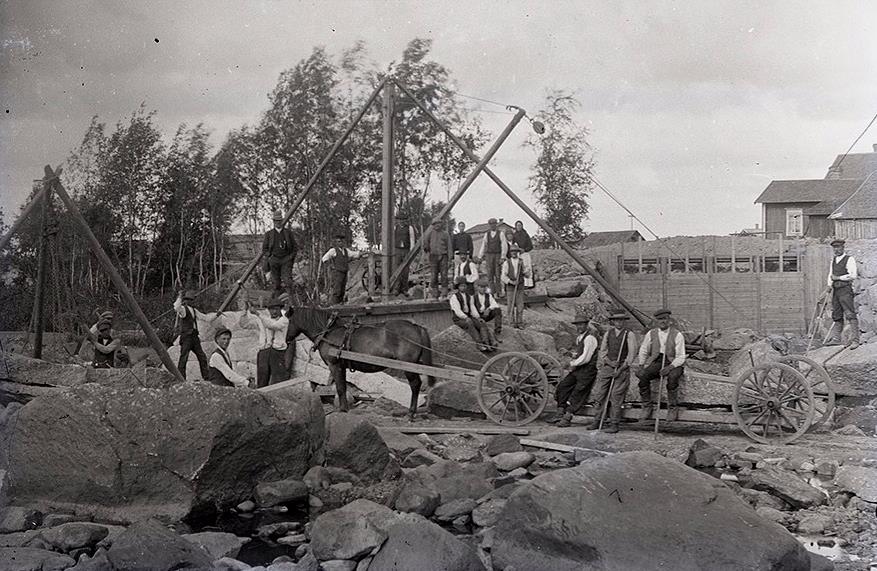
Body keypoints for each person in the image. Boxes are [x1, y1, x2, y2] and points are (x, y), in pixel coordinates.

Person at [588, 310, 638, 433]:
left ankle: (614, 423)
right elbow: (603, 351)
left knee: (616, 395)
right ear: (613, 321)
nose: (619, 322)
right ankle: (597, 420)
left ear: (624, 321)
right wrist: (610, 362)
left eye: (621, 320)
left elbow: (631, 355)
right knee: (600, 394)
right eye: (616, 320)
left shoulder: (629, 334)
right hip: (608, 366)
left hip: (622, 368)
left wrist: (620, 369)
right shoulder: (608, 333)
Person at [636, 308, 686, 422]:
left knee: (673, 378)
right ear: (656, 321)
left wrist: (670, 367)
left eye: (664, 319)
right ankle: (647, 406)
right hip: (657, 361)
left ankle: (672, 408)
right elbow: (644, 350)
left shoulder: (677, 334)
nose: (662, 321)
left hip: (674, 362)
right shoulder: (651, 333)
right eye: (659, 319)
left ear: (669, 320)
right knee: (643, 376)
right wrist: (641, 366)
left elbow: (681, 356)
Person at [552, 315, 601, 427]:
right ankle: (560, 412)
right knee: (563, 386)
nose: (579, 327)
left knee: (578, 392)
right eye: (577, 325)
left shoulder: (590, 338)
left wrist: (570, 363)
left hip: (588, 370)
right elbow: (579, 354)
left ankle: (567, 417)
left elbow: (585, 358)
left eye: (581, 324)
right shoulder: (579, 338)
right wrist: (570, 354)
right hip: (579, 369)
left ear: (586, 325)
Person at [249, 297, 291, 388]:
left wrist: (257, 313)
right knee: (262, 378)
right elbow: (245, 324)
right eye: (271, 309)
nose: (274, 312)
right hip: (264, 351)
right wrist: (247, 309)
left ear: (281, 309)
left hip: (277, 352)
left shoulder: (284, 320)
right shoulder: (264, 319)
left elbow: (273, 325)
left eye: (276, 309)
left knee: (278, 380)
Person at [826, 239, 859, 349]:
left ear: (843, 248)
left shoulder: (849, 259)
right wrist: (829, 285)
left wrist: (839, 278)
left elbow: (853, 275)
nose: (836, 249)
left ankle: (855, 340)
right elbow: (831, 274)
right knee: (837, 314)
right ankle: (836, 338)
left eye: (838, 247)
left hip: (845, 289)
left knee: (850, 313)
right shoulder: (834, 260)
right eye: (834, 248)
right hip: (836, 290)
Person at [449, 276, 493, 352]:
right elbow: (457, 310)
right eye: (461, 286)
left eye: (465, 285)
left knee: (481, 323)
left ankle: (486, 343)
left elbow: (472, 308)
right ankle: (479, 344)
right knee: (470, 323)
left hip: (468, 316)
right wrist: (465, 317)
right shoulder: (454, 297)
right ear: (458, 287)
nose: (463, 287)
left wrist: (478, 317)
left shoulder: (469, 296)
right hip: (459, 319)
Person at [174, 290, 210, 380]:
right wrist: (179, 297)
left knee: (202, 357)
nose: (190, 301)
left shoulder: (194, 310)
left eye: (191, 300)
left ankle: (206, 377)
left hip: (194, 336)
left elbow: (205, 318)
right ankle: (181, 378)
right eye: (188, 300)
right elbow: (176, 307)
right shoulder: (182, 309)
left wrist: (217, 314)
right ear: (185, 300)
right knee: (184, 358)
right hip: (186, 337)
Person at [321, 233, 364, 305]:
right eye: (339, 241)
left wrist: (363, 253)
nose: (341, 243)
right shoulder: (333, 251)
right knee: (337, 290)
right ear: (336, 243)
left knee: (342, 290)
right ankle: (334, 305)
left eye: (342, 241)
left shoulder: (346, 251)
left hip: (344, 272)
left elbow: (355, 254)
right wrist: (331, 266)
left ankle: (340, 304)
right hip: (337, 273)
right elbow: (324, 259)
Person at [262, 209, 297, 299]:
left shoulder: (288, 233)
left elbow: (294, 248)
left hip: (286, 260)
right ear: (273, 221)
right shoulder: (269, 234)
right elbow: (264, 249)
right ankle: (277, 302)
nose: (278, 222)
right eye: (276, 221)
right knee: (276, 283)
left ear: (282, 221)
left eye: (279, 220)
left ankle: (291, 300)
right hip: (274, 260)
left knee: (287, 281)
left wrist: (290, 258)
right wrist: (269, 258)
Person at [501, 244, 530, 328]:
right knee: (510, 305)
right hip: (510, 287)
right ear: (510, 253)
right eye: (512, 251)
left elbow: (526, 274)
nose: (514, 253)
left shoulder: (521, 261)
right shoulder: (507, 263)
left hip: (520, 286)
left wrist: (526, 272)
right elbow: (503, 276)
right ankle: (511, 323)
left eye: (515, 251)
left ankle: (519, 322)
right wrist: (511, 282)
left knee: (520, 305)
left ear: (518, 252)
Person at [477, 218, 508, 297]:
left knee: (498, 274)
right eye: (491, 224)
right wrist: (480, 256)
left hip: (497, 255)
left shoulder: (500, 234)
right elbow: (483, 245)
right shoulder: (486, 234)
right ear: (489, 225)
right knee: (490, 275)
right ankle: (492, 292)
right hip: (489, 256)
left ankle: (499, 292)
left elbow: (504, 245)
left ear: (496, 224)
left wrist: (503, 257)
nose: (492, 225)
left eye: (494, 224)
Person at [424, 218, 453, 298]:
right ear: (433, 225)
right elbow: (426, 245)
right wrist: (426, 249)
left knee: (444, 275)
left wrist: (450, 259)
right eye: (435, 224)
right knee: (434, 275)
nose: (437, 225)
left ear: (441, 224)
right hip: (433, 256)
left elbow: (449, 246)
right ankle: (435, 292)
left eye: (439, 223)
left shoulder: (445, 234)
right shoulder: (429, 234)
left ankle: (444, 292)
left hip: (443, 256)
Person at [392, 213, 416, 296]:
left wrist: (411, 251)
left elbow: (412, 240)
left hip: (406, 250)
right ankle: (396, 288)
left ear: (405, 220)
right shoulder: (395, 228)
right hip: (397, 250)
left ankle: (405, 289)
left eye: (403, 220)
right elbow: (392, 239)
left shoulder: (410, 228)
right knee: (397, 269)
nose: (401, 221)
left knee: (405, 270)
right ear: (397, 220)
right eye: (399, 219)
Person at [512, 221, 535, 288]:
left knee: (527, 268)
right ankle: (520, 284)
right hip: (517, 254)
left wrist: (524, 250)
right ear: (515, 227)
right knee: (518, 269)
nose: (519, 227)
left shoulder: (525, 235)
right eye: (517, 225)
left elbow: (530, 246)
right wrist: (517, 250)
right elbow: (513, 245)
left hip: (525, 254)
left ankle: (528, 284)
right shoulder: (514, 236)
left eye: (520, 225)